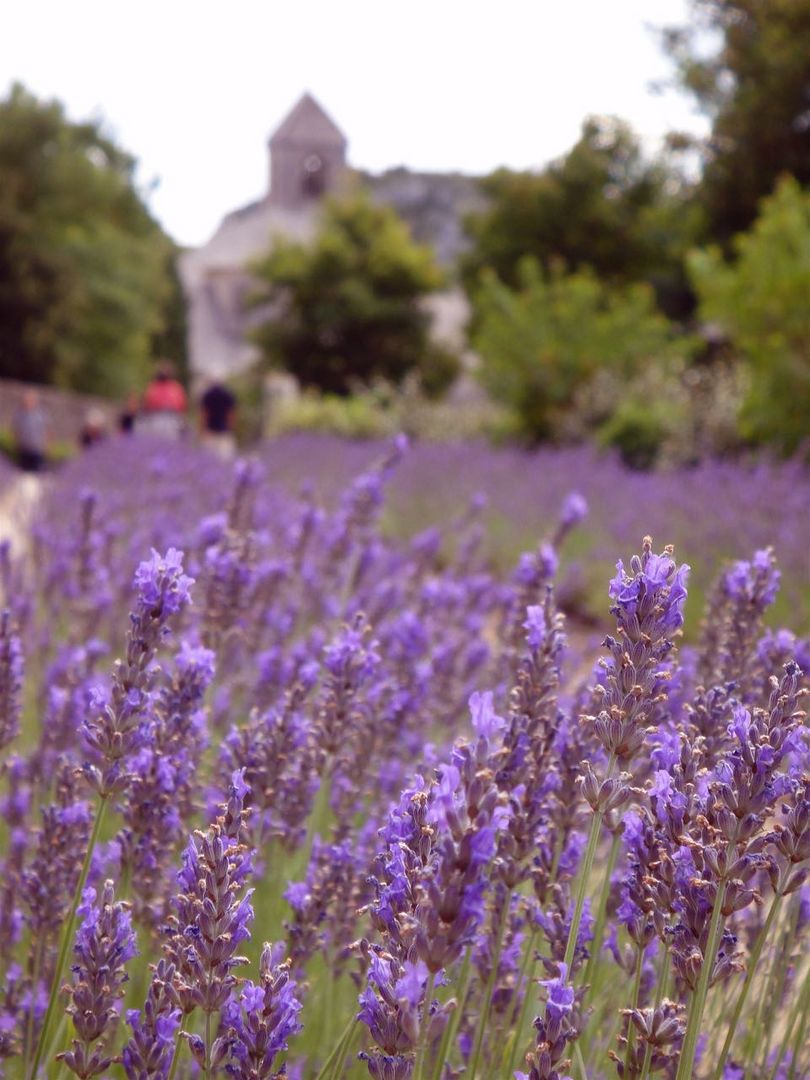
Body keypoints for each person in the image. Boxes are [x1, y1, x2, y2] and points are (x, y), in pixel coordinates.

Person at [138, 361, 188, 438]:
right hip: (156, 418)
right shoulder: (153, 387)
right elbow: (146, 404)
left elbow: (182, 405)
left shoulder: (175, 387)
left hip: (172, 419)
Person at [199, 380, 237, 459]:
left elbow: (204, 414)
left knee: (209, 456)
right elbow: (230, 414)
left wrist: (202, 429)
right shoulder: (228, 395)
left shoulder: (207, 395)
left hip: (210, 429)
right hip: (224, 429)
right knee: (224, 457)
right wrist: (231, 427)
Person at [12, 390, 48, 472]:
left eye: (30, 400)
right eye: (26, 400)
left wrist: (46, 445)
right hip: (24, 448)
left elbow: (46, 430)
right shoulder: (19, 414)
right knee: (23, 472)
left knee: (37, 473)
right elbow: (16, 429)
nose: (27, 402)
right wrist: (16, 442)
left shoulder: (40, 415)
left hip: (37, 449)